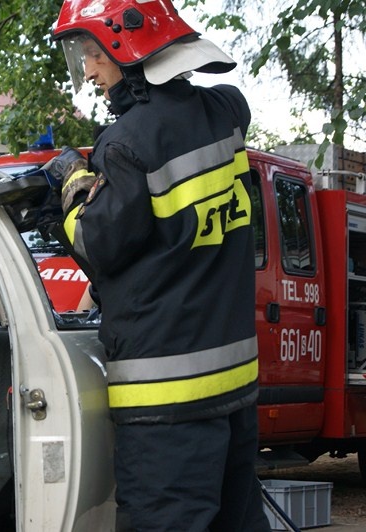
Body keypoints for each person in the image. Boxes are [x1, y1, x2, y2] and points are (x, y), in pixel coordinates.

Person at [46, 1, 269, 530]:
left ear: (129, 47)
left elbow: (95, 241)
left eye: (93, 54)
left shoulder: (125, 144)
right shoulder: (224, 114)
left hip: (165, 403)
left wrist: (74, 184)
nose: (91, 71)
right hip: (232, 391)